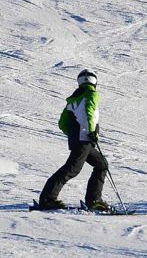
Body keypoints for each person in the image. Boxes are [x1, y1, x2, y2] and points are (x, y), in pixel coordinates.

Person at [38, 69, 110, 212]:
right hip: (85, 140)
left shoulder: (72, 100)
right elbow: (89, 112)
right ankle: (47, 199)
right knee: (72, 169)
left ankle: (94, 200)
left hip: (81, 140)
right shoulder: (91, 94)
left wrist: (74, 134)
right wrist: (90, 132)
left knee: (102, 164)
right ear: (95, 82)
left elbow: (62, 124)